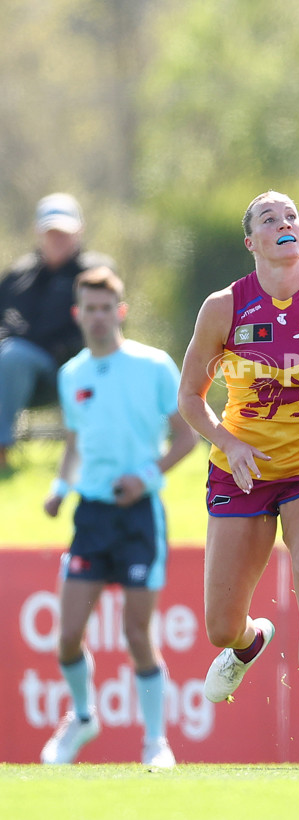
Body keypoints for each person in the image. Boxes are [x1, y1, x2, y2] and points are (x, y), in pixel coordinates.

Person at [178, 191, 299, 772]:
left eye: (290, 217)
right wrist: (227, 442)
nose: (283, 223)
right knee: (219, 625)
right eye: (267, 219)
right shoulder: (224, 307)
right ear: (251, 242)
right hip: (242, 470)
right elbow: (190, 399)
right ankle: (250, 643)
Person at [40, 266, 197, 768]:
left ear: (121, 312)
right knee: (67, 636)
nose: (99, 317)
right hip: (92, 517)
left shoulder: (153, 366)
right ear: (78, 314)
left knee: (136, 634)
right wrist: (60, 486)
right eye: (90, 308)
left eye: (108, 308)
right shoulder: (72, 375)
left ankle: (156, 741)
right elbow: (74, 445)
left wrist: (145, 478)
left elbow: (186, 437)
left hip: (140, 517)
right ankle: (82, 716)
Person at [0, 193, 115, 469]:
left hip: (72, 368)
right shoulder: (18, 275)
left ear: (79, 231)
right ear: (38, 232)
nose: (57, 239)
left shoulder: (95, 273)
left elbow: (105, 329)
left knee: (14, 355)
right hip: (15, 373)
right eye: (51, 232)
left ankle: (1, 449)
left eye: (64, 233)